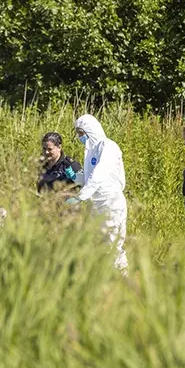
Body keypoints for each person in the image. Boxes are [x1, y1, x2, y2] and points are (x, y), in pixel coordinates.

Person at [65, 114, 128, 275]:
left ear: (90, 130)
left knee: (113, 246)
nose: (79, 137)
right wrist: (76, 177)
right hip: (97, 206)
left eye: (81, 133)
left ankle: (122, 281)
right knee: (100, 246)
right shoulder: (90, 152)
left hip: (111, 204)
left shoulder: (108, 147)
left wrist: (80, 196)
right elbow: (88, 179)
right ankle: (107, 282)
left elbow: (99, 175)